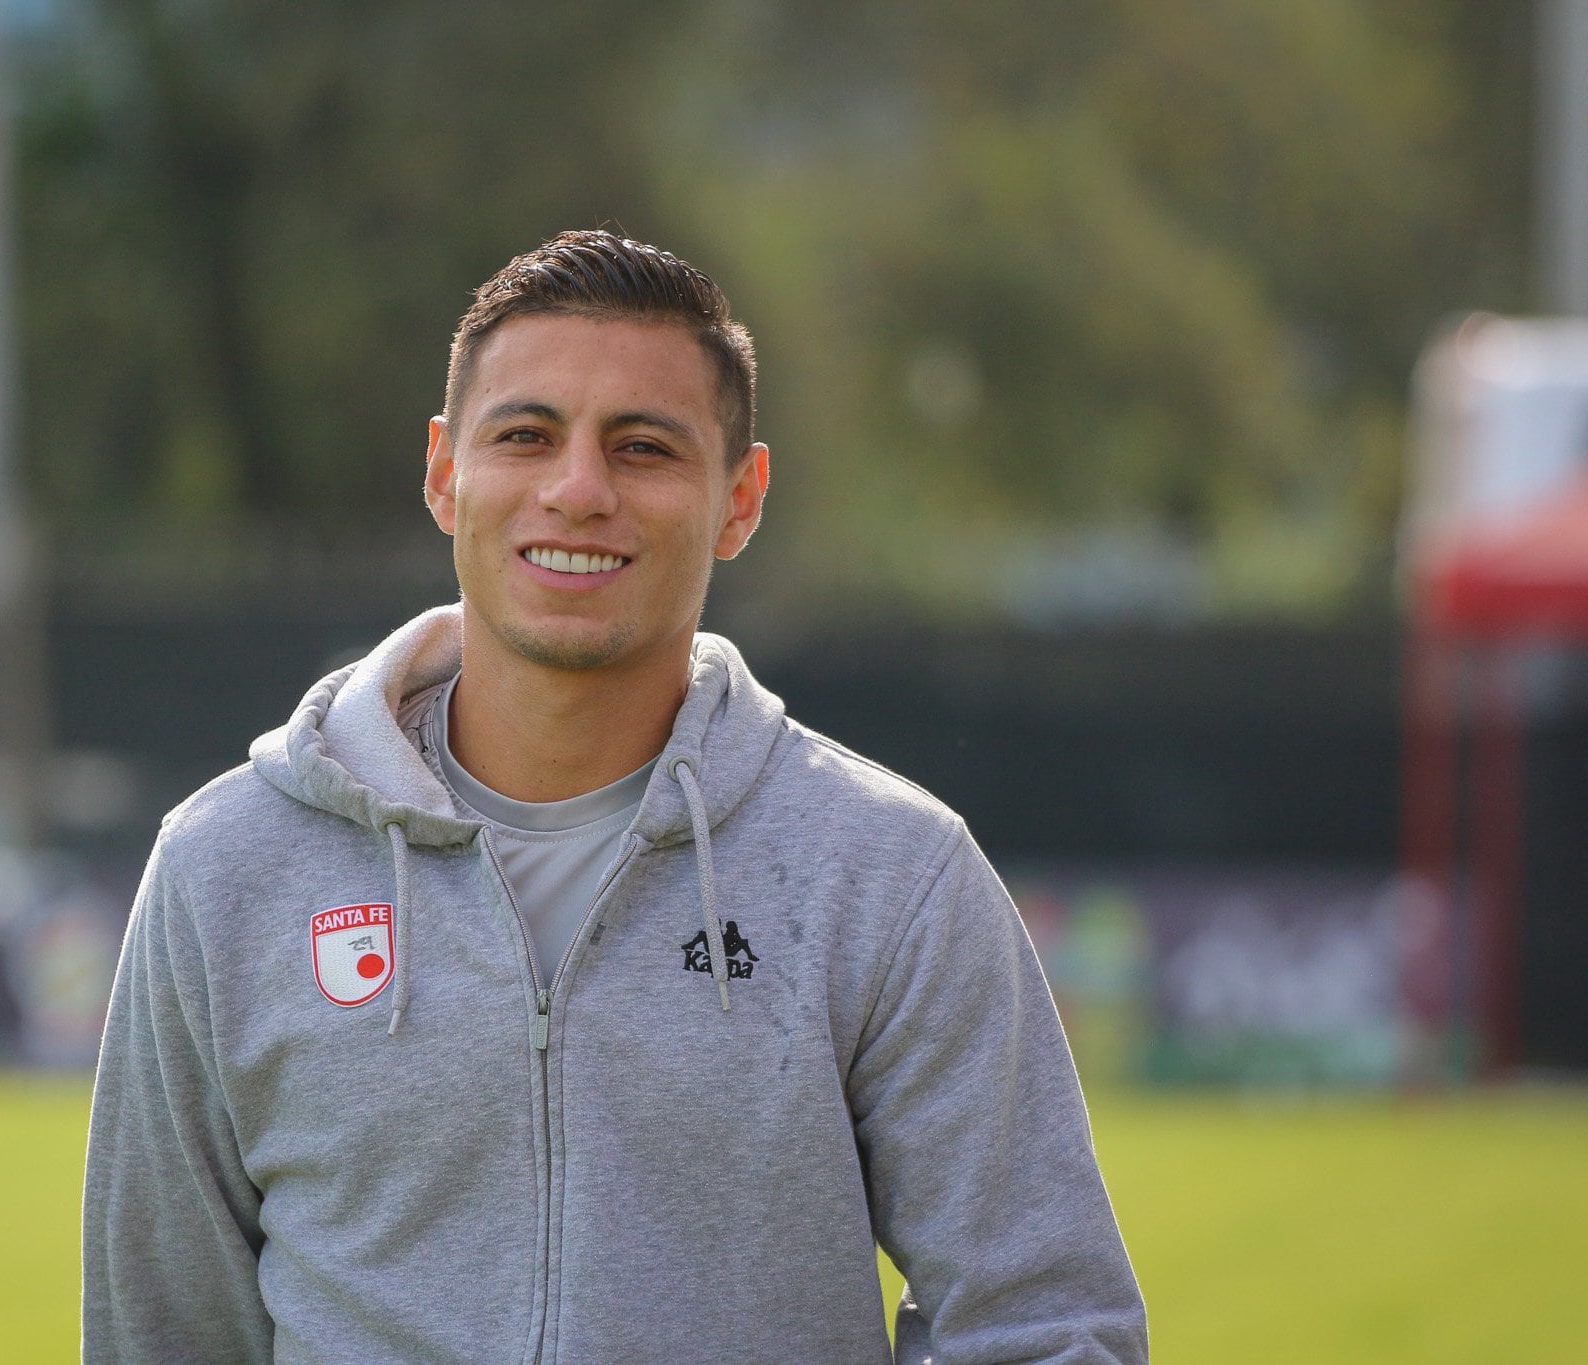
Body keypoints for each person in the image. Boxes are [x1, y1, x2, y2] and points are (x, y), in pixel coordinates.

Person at [82, 230, 1147, 1363]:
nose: (577, 490)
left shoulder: (889, 875)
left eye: (642, 448)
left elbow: (1046, 1325)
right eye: (525, 435)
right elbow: (163, 1338)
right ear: (443, 472)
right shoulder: (224, 868)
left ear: (740, 499)